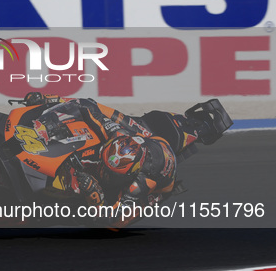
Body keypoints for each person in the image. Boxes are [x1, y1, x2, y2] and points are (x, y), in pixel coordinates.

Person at [19, 92, 210, 227]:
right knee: (90, 127)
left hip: (159, 184)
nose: (103, 171)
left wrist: (96, 197)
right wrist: (49, 100)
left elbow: (111, 215)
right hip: (146, 140)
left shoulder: (140, 184)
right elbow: (87, 105)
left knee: (109, 225)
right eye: (105, 164)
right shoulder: (117, 132)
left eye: (109, 172)